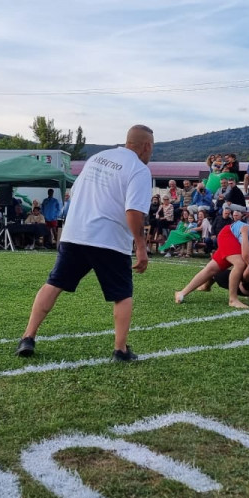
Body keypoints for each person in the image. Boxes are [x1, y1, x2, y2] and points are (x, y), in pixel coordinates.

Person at [17, 125, 154, 362]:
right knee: (122, 294)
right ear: (147, 146)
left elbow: (76, 193)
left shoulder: (97, 158)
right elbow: (133, 212)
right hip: (109, 238)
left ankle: (27, 337)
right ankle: (120, 350)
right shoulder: (138, 169)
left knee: (54, 283)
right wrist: (141, 247)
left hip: (75, 233)